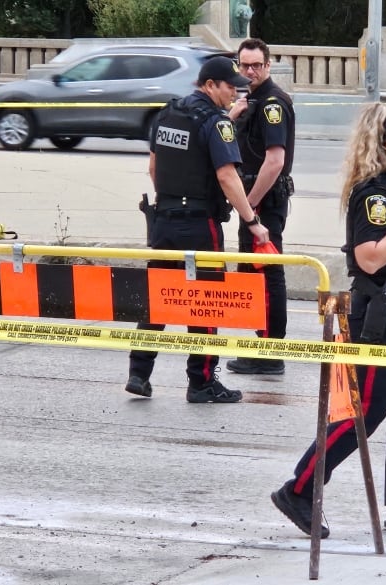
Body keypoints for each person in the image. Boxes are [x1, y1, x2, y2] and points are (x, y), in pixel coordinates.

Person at [271, 104, 386, 538]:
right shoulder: (376, 196)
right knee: (364, 416)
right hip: (378, 322)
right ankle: (299, 489)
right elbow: (369, 259)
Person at [125, 56, 270, 403]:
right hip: (199, 224)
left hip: (163, 220)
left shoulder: (168, 113)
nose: (236, 92)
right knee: (205, 304)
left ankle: (139, 373)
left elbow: (154, 165)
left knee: (158, 298)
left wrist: (172, 198)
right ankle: (202, 382)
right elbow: (227, 176)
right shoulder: (215, 122)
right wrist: (252, 220)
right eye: (230, 86)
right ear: (210, 85)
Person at [226, 38, 295, 376]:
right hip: (253, 199)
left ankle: (271, 352)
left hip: (263, 200)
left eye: (256, 65)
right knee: (255, 274)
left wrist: (249, 207)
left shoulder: (271, 103)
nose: (250, 71)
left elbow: (275, 161)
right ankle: (262, 346)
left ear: (268, 66)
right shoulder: (249, 100)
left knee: (268, 275)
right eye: (244, 65)